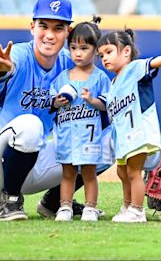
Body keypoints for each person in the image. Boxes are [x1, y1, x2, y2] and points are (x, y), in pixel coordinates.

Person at [0, 0, 81, 220]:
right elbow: (8, 68)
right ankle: (9, 200)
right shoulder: (18, 55)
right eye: (43, 26)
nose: (49, 35)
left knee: (104, 141)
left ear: (68, 32)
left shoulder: (71, 64)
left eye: (58, 28)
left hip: (32, 160)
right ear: (32, 27)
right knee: (30, 124)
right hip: (2, 153)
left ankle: (56, 202)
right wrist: (2, 71)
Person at [98, 29, 161, 223]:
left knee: (133, 171)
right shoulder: (113, 83)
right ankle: (127, 206)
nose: (104, 58)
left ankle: (137, 211)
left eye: (109, 52)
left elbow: (153, 63)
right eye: (101, 55)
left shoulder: (134, 69)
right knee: (122, 172)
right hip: (123, 137)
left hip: (139, 132)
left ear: (126, 51)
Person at [50, 17, 113, 222]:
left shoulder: (100, 77)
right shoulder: (62, 78)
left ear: (96, 50)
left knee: (88, 173)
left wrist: (92, 100)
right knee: (67, 173)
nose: (78, 53)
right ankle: (65, 207)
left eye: (84, 48)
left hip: (89, 136)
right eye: (73, 47)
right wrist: (57, 101)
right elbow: (52, 102)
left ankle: (90, 208)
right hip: (67, 134)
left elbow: (107, 104)